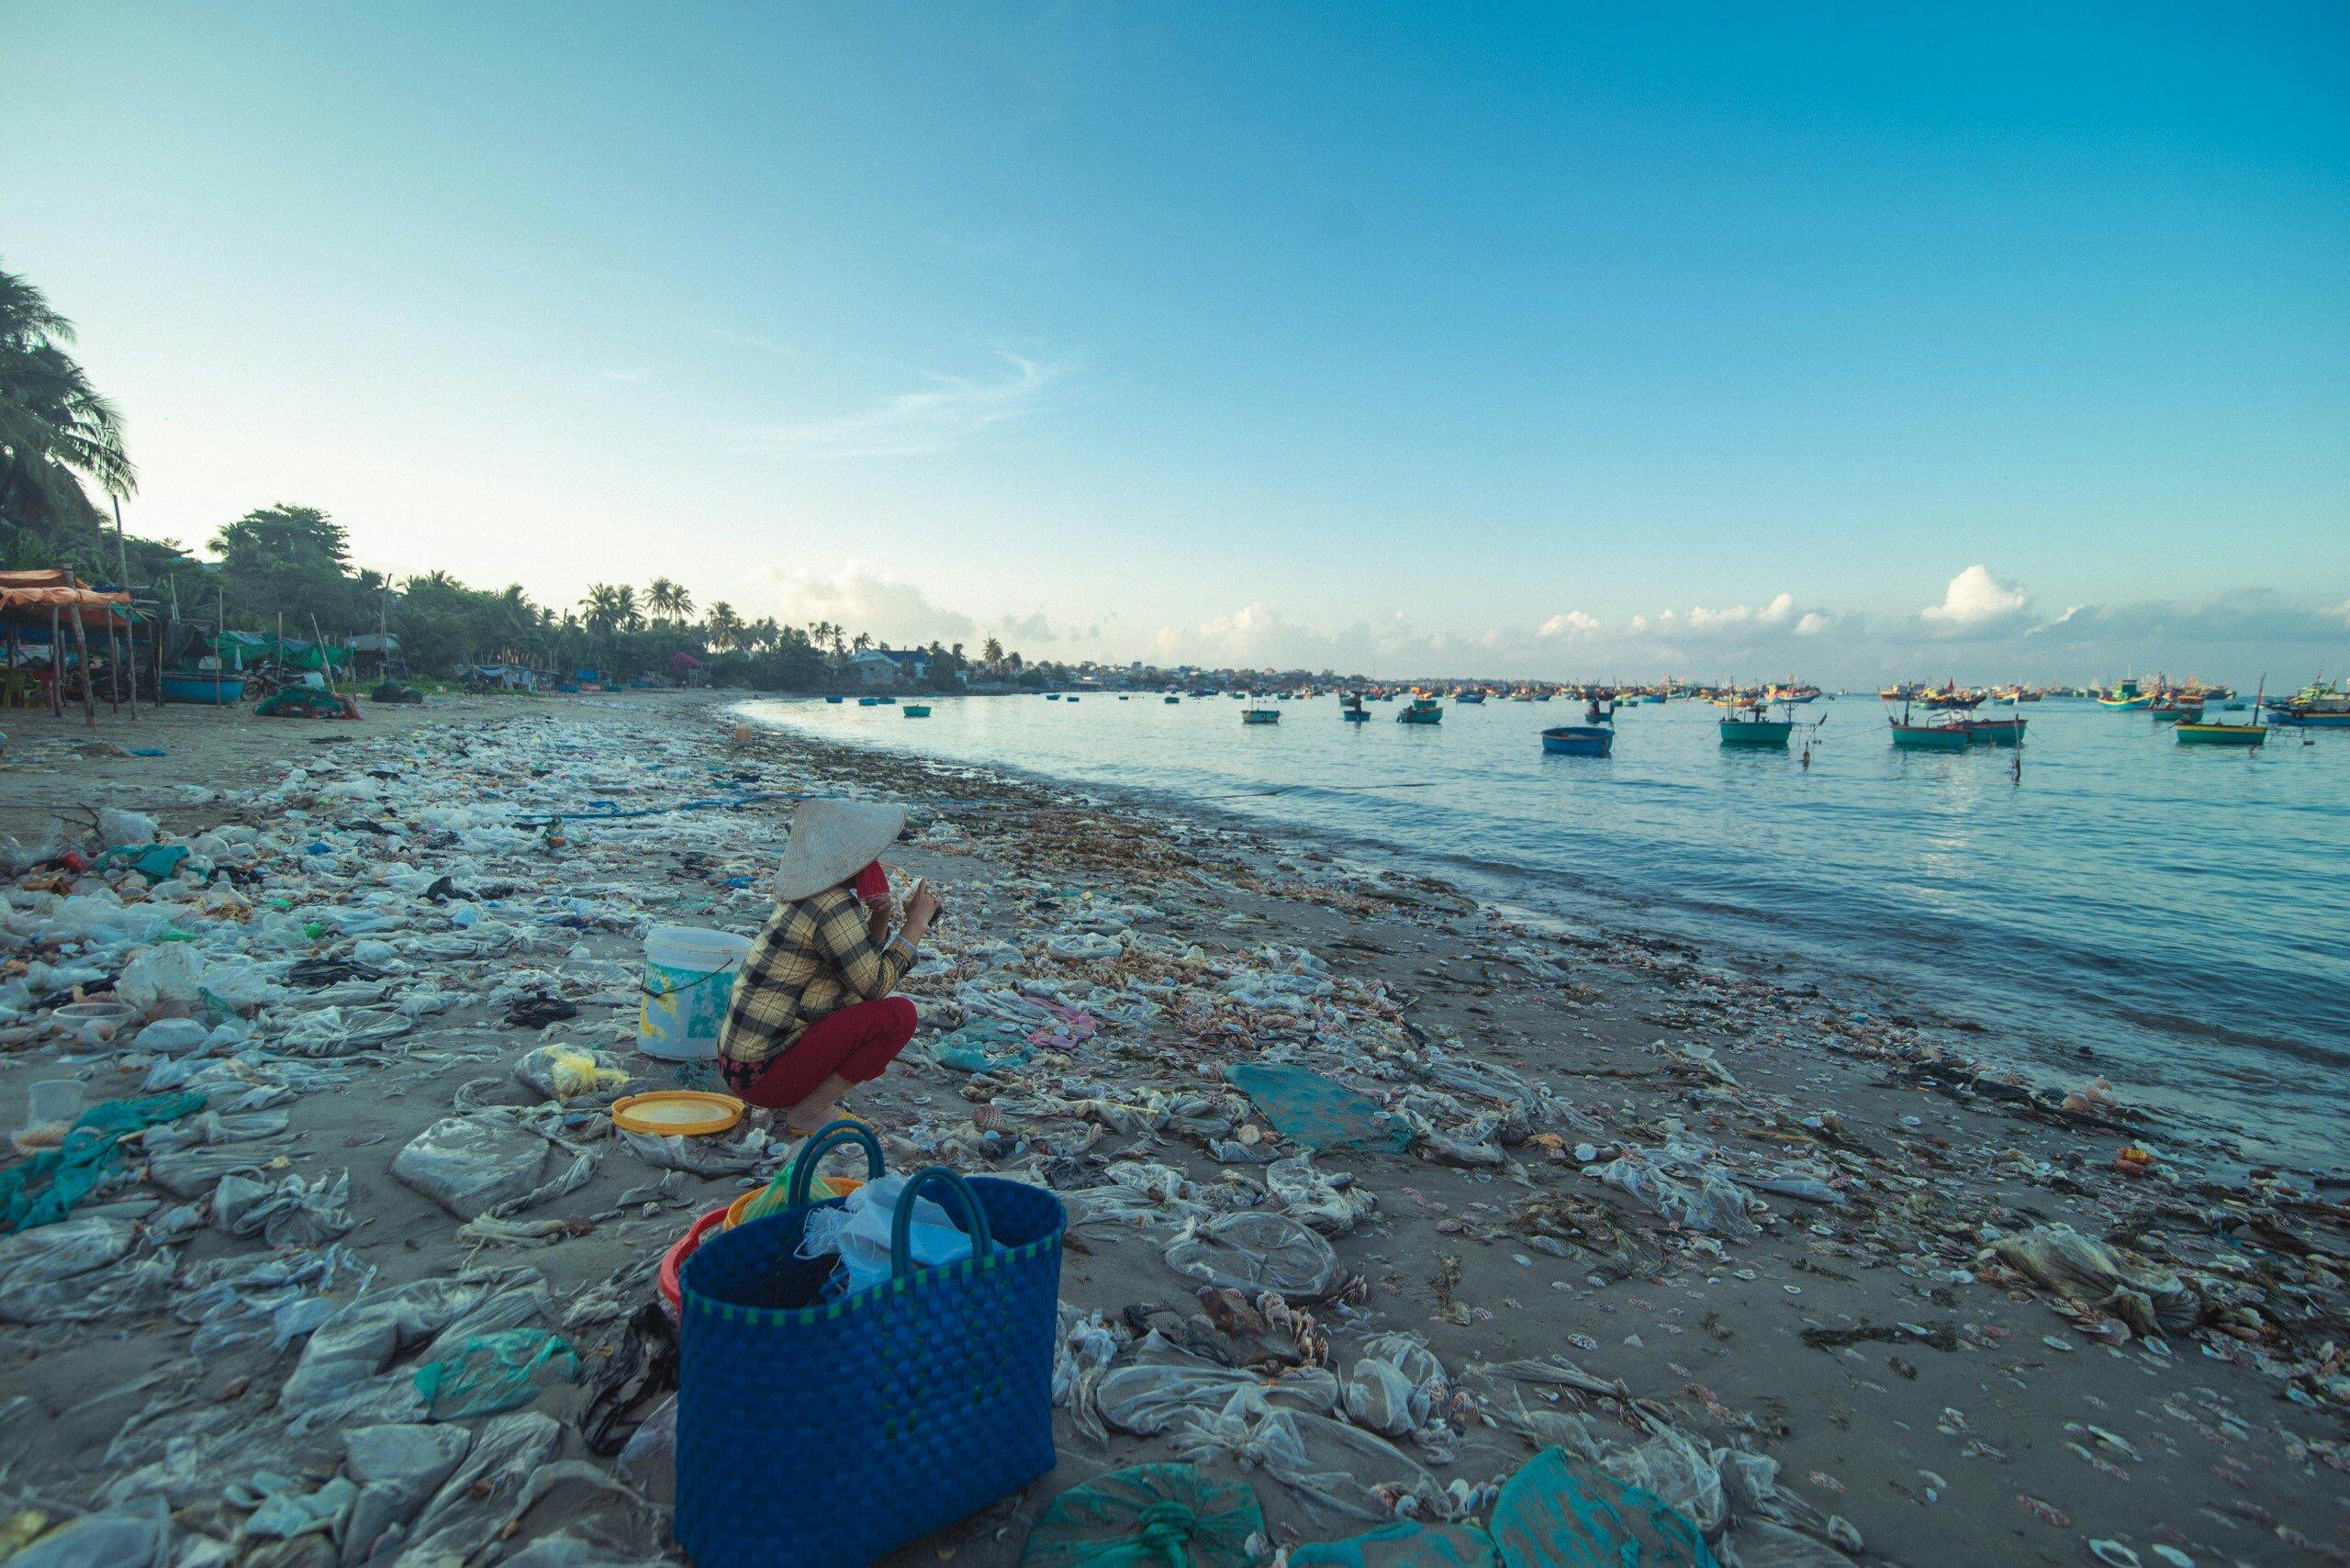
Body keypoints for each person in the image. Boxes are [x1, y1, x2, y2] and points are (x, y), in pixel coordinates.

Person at [715, 799, 942, 1135]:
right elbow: (876, 984)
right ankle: (810, 1111)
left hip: (740, 1066)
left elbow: (858, 969)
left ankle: (806, 1100)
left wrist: (880, 917)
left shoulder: (809, 895)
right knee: (899, 1016)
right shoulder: (830, 904)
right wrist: (917, 923)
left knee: (862, 1005)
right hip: (762, 1075)